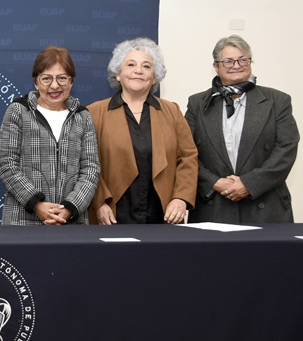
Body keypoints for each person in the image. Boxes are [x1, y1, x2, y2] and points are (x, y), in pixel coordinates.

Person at [185, 35, 299, 223]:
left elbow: (286, 149)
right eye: (228, 61)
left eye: (243, 59)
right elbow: (185, 152)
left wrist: (248, 184)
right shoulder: (197, 103)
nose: (236, 65)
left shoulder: (277, 101)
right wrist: (215, 183)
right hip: (213, 205)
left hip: (265, 206)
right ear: (216, 66)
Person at [87, 37, 198, 225]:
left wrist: (181, 198)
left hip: (162, 216)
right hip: (111, 216)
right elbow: (86, 164)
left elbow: (188, 158)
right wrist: (99, 203)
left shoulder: (172, 111)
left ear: (154, 76)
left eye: (147, 66)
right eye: (131, 64)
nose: (138, 71)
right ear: (118, 74)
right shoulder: (94, 113)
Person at [0, 46, 100, 225]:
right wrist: (36, 203)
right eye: (46, 79)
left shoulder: (83, 116)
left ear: (71, 82)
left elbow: (90, 169)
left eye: (62, 78)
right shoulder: (18, 111)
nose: (54, 85)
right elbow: (7, 163)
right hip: (23, 221)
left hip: (71, 221)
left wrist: (69, 208)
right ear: (36, 82)